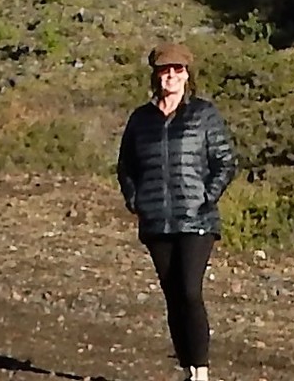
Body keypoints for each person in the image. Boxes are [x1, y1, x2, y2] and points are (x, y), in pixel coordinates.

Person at [115, 41, 236, 381]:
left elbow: (225, 162)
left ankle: (201, 371)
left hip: (196, 219)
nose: (171, 76)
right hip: (156, 220)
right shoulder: (140, 119)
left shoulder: (203, 113)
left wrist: (207, 197)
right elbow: (126, 165)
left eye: (177, 70)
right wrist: (135, 200)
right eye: (165, 70)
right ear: (155, 76)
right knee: (172, 296)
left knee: (189, 292)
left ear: (187, 75)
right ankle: (186, 367)